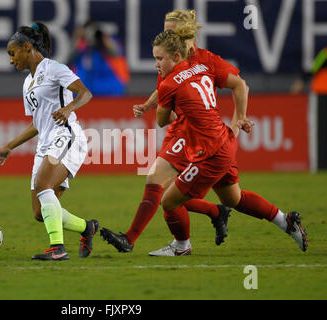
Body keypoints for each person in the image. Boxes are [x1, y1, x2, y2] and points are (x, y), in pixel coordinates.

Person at [152, 28, 307, 255]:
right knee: (233, 198)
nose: (156, 64)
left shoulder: (169, 83)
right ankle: (286, 221)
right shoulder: (201, 67)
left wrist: (170, 106)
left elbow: (161, 120)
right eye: (154, 58)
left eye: (160, 58)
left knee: (168, 201)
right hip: (224, 141)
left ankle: (181, 246)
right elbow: (240, 84)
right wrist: (239, 119)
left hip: (210, 154)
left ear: (176, 57)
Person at [100, 10, 232, 256]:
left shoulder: (193, 58)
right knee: (169, 189)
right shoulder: (168, 55)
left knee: (158, 182)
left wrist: (240, 117)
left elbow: (232, 84)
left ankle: (133, 239)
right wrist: (150, 104)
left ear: (183, 31)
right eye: (165, 28)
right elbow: (163, 87)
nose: (167, 32)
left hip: (190, 131)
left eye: (171, 29)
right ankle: (215, 212)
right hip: (181, 128)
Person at [0, 22, 99, 261]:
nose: (11, 60)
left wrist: (68, 108)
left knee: (43, 186)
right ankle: (87, 228)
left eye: (12, 53)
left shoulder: (53, 69)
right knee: (40, 213)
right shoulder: (27, 83)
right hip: (46, 143)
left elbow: (85, 93)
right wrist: (9, 146)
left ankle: (57, 249)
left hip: (66, 135)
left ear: (27, 47)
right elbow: (37, 124)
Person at [69, 20, 130, 96]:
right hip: (87, 84)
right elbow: (71, 56)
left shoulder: (108, 42)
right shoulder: (82, 45)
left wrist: (102, 36)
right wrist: (78, 36)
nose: (90, 35)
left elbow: (116, 52)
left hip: (108, 85)